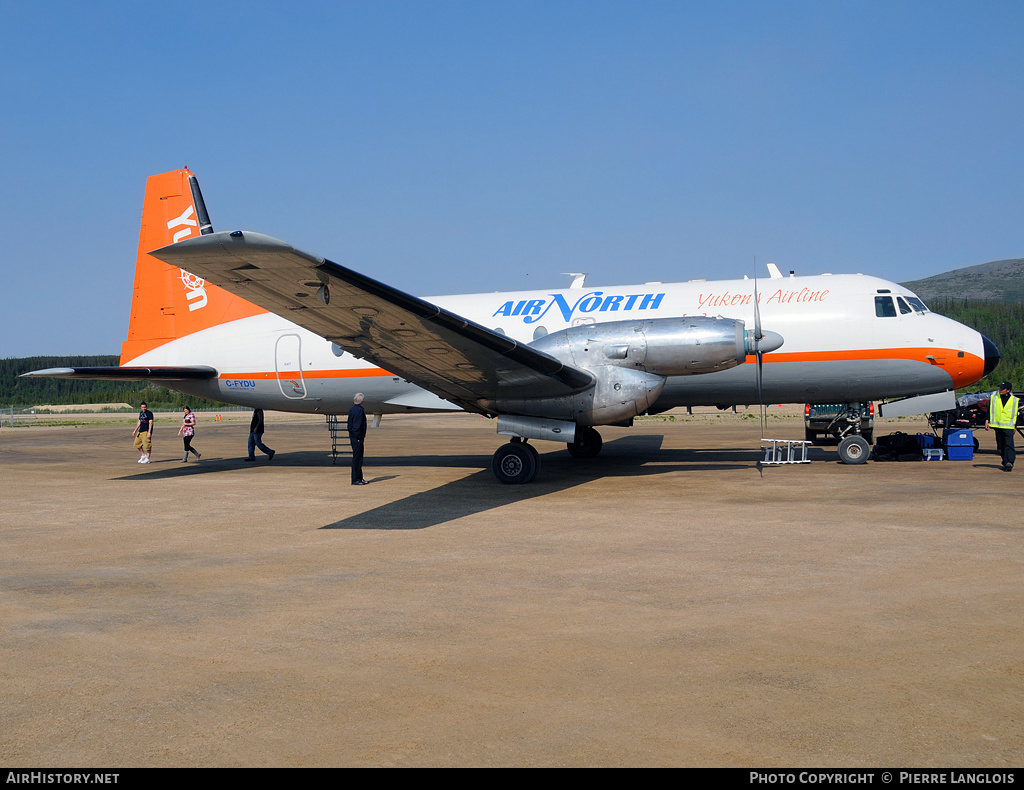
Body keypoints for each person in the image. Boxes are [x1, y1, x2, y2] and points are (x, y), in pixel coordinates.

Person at [985, 381, 1019, 471]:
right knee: (1001, 445)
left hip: (1009, 426)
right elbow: (990, 410)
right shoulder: (994, 398)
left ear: (1008, 390)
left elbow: (1016, 414)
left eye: (1002, 389)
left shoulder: (1014, 400)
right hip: (998, 425)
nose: (1000, 390)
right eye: (1000, 388)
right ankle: (1005, 461)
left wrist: (1016, 426)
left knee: (1009, 444)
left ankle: (1010, 462)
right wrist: (987, 421)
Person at [347, 393, 367, 485]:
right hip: (357, 437)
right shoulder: (359, 410)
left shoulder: (353, 409)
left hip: (354, 436)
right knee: (357, 458)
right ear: (362, 401)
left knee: (358, 458)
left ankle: (359, 477)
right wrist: (358, 437)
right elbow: (357, 425)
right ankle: (356, 479)